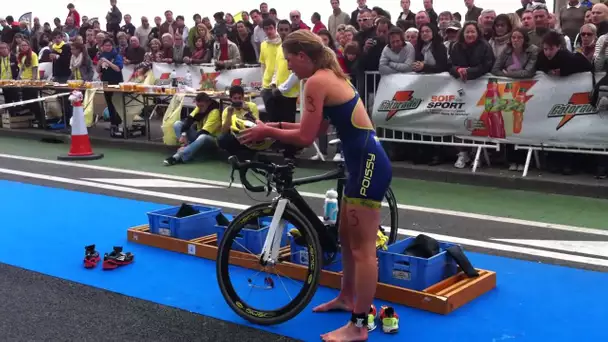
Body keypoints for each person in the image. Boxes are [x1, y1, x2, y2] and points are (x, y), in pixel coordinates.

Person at [238, 29, 391, 342]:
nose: (289, 67)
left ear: (303, 56)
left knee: (362, 250)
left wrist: (269, 131)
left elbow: (306, 139)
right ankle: (347, 298)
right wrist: (274, 126)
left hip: (367, 165)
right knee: (347, 241)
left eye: (290, 60)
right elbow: (315, 127)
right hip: (362, 162)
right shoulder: (325, 77)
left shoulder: (317, 81)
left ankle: (359, 325)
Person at [164, 93, 222, 166]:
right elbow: (189, 120)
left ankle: (178, 156)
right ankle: (185, 147)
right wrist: (183, 134)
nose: (199, 108)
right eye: (198, 106)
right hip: (198, 135)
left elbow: (204, 132)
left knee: (202, 136)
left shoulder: (215, 112)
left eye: (202, 106)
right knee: (178, 124)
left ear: (208, 103)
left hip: (211, 139)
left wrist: (188, 144)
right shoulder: (199, 108)